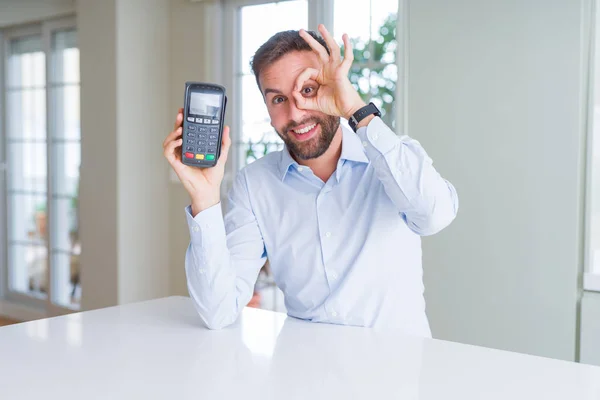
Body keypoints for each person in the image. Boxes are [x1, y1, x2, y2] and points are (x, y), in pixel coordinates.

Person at [163, 25, 458, 336]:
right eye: (278, 99)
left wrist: (357, 111)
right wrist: (204, 199)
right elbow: (218, 312)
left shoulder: (392, 160)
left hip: (397, 373)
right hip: (305, 374)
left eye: (308, 90)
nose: (296, 112)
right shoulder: (255, 184)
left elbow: (434, 216)